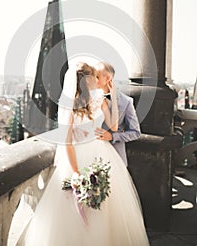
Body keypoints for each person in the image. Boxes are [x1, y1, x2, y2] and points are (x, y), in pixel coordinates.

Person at [17, 62, 149, 246]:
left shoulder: (99, 100)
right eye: (94, 76)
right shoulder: (69, 106)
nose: (97, 80)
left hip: (103, 153)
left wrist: (111, 95)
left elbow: (113, 126)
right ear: (85, 80)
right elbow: (68, 142)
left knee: (106, 205)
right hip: (77, 157)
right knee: (73, 210)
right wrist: (76, 171)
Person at [95, 61, 141, 166]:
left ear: (108, 78)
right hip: (93, 153)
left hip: (116, 158)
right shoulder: (90, 98)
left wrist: (113, 137)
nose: (93, 79)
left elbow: (136, 133)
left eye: (97, 76)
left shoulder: (126, 102)